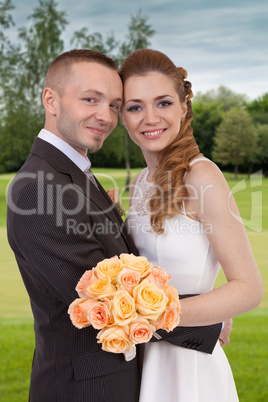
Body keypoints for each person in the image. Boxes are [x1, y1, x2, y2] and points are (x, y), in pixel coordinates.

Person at [7, 49, 225, 402]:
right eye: (90, 99)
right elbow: (104, 303)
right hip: (85, 388)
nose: (104, 116)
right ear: (51, 100)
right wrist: (207, 321)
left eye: (113, 104)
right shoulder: (38, 188)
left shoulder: (74, 174)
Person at [119, 48, 263, 402]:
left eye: (163, 103)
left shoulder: (201, 175)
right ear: (122, 116)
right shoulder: (138, 183)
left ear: (184, 107)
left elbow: (248, 287)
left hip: (188, 365)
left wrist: (153, 315)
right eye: (135, 106)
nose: (150, 118)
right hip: (139, 361)